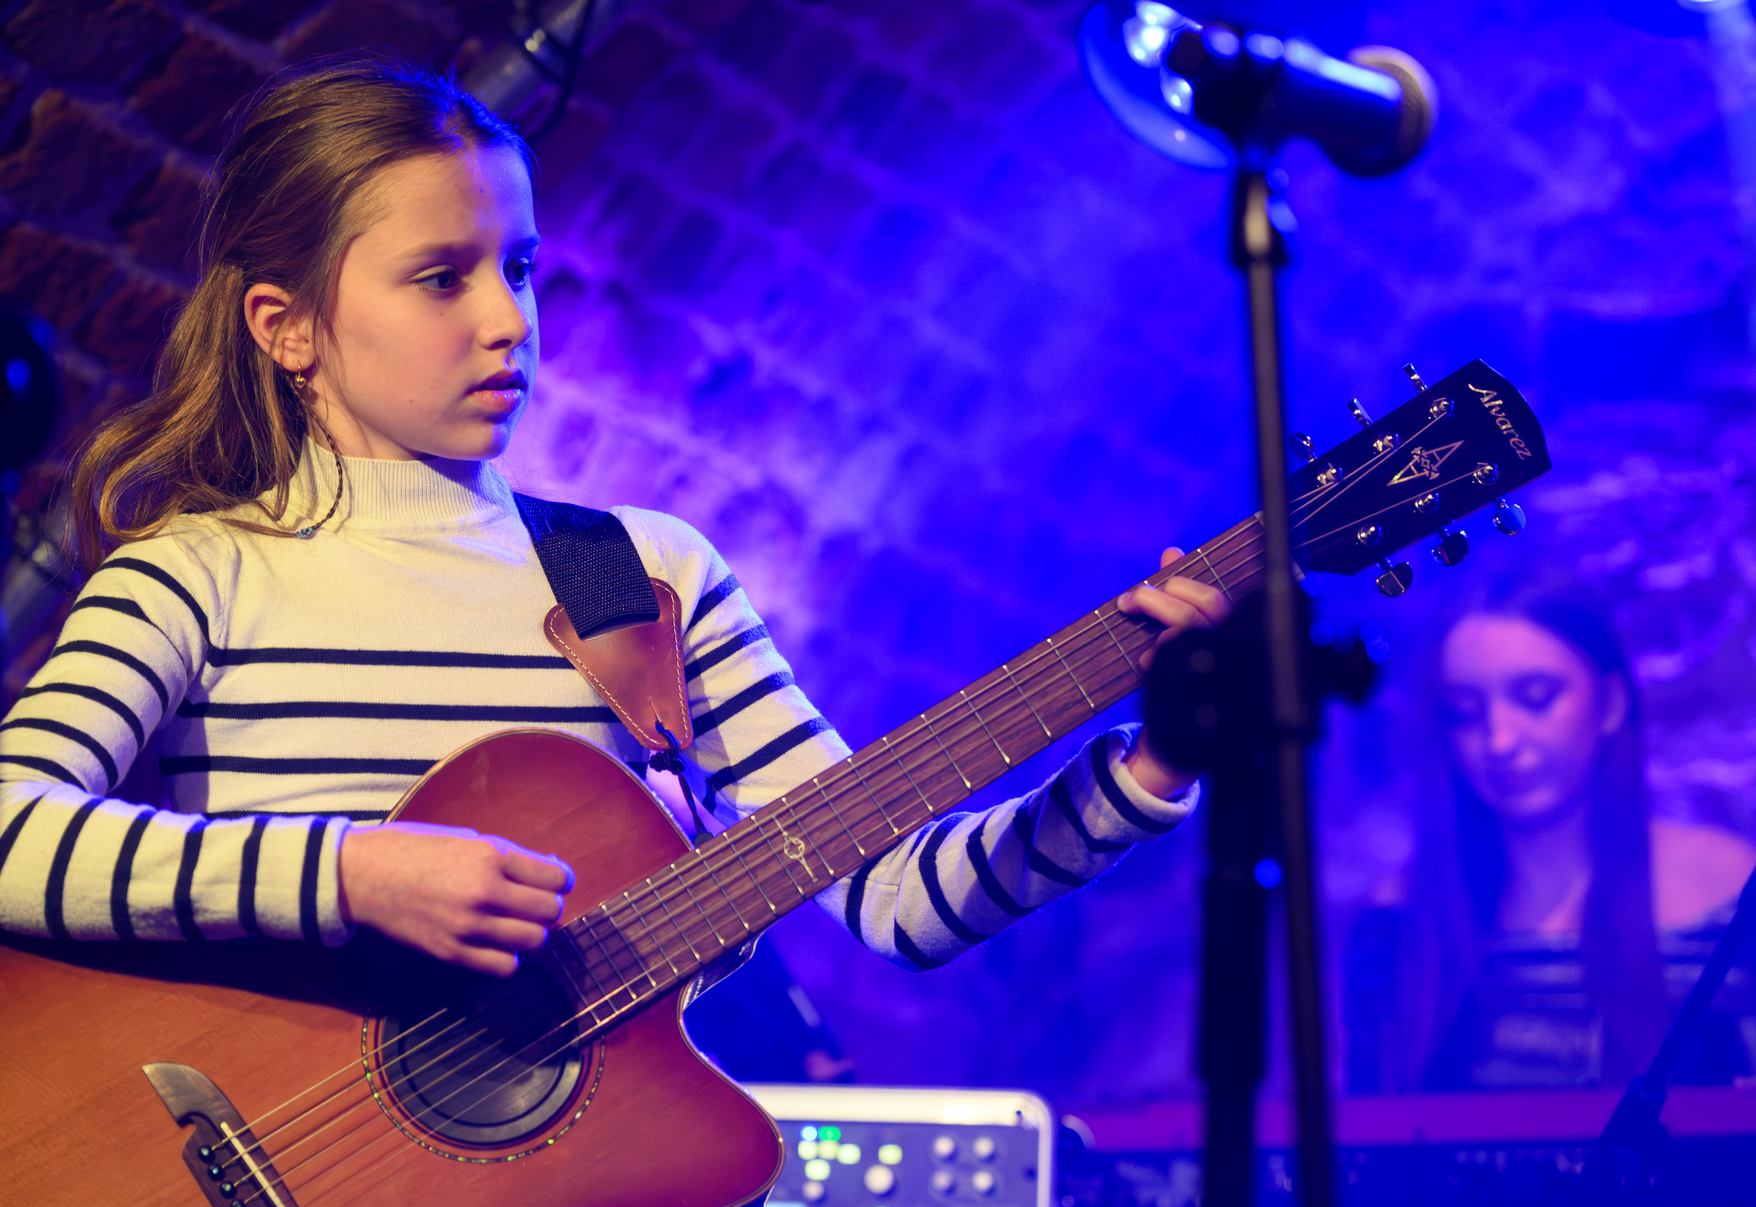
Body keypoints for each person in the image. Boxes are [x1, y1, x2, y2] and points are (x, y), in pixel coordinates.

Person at [0, 60, 1222, 1073]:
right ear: (288, 327)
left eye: (519, 267)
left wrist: (1150, 767)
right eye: (442, 277)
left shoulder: (636, 572)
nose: (508, 319)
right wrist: (349, 873)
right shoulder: (197, 572)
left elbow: (898, 896)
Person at [1344, 579, 1756, 1097]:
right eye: (1466, 712)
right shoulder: (1399, 916)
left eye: (1535, 697)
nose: (1500, 739)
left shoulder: (1728, 888)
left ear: (1610, 702)